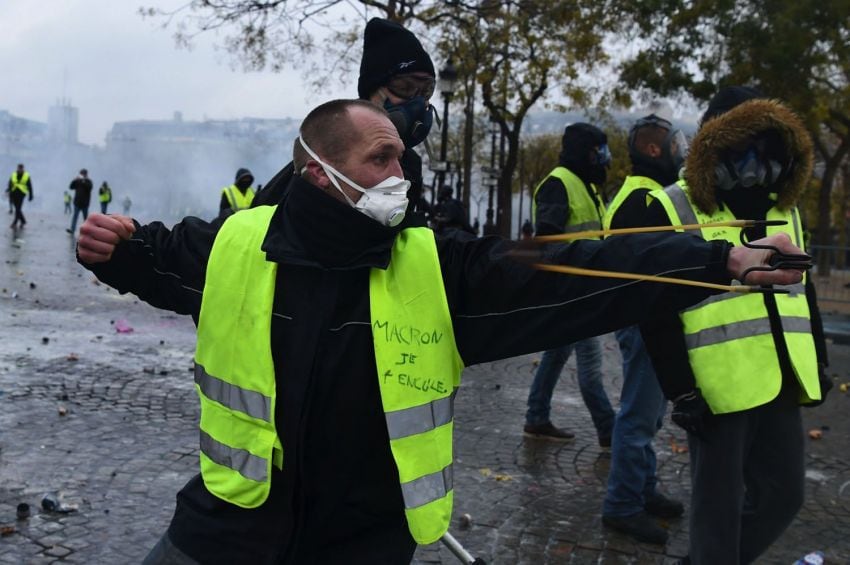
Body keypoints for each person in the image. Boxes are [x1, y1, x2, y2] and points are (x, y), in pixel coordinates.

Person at [76, 99, 807, 564]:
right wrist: (115, 250)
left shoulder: (441, 268)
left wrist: (719, 259)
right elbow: (160, 259)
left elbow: (588, 270)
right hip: (222, 532)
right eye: (382, 159)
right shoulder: (234, 244)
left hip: (360, 545)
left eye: (402, 156)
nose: (403, 173)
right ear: (320, 173)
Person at [640, 86, 830, 564]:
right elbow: (653, 308)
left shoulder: (785, 209)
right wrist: (680, 389)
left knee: (785, 497)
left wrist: (820, 361)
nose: (752, 161)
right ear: (713, 144)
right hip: (718, 391)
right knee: (715, 517)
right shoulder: (675, 205)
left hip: (782, 380)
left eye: (762, 148)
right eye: (740, 146)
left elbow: (802, 290)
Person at [251, 17, 436, 228]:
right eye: (404, 87)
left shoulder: (409, 163)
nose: (418, 102)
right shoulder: (329, 146)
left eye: (426, 90)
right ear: (372, 91)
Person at [599, 114, 689, 544]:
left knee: (649, 415)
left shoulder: (640, 193)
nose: (679, 152)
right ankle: (622, 504)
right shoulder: (647, 199)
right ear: (653, 150)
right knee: (638, 415)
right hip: (644, 319)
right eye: (673, 145)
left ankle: (643, 488)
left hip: (637, 317)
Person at [523, 123, 616, 443]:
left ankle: (536, 416)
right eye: (597, 152)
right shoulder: (560, 183)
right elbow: (548, 241)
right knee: (589, 364)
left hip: (582, 289)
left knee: (557, 354)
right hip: (573, 293)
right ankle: (609, 429)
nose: (604, 159)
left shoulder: (585, 185)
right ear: (583, 152)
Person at [67, 168, 93, 235]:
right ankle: (72, 230)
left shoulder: (88, 181)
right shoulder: (77, 181)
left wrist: (83, 181)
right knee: (75, 217)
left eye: (83, 174)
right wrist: (74, 180)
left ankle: (87, 231)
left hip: (85, 204)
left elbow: (89, 188)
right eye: (81, 174)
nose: (82, 175)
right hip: (77, 203)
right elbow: (71, 187)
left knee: (85, 218)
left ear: (86, 175)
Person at [8, 163, 33, 229]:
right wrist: (8, 190)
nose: (20, 170)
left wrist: (31, 195)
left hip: (21, 194)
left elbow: (30, 186)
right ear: (17, 168)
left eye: (21, 169)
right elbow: (10, 183)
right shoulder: (14, 174)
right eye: (19, 168)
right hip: (14, 193)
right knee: (17, 208)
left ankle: (15, 223)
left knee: (18, 208)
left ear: (23, 169)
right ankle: (23, 221)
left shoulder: (26, 175)